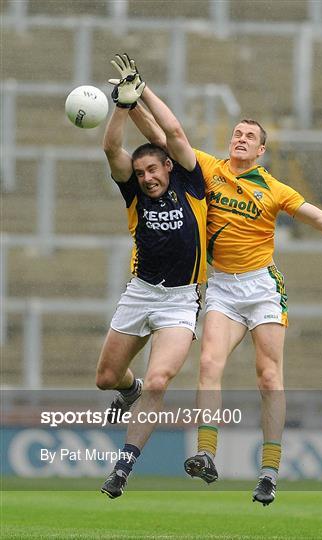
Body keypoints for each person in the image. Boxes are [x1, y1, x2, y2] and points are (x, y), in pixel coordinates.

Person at [121, 58, 322, 506]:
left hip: (261, 288)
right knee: (209, 365)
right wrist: (134, 99)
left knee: (269, 377)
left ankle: (269, 471)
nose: (241, 138)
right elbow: (162, 137)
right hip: (222, 289)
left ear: (261, 150)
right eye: (237, 133)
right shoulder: (208, 170)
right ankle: (206, 455)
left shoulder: (274, 189)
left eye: (250, 136)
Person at [96, 54, 207, 499]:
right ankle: (131, 389)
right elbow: (110, 149)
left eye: (153, 170)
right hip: (140, 293)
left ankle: (123, 468)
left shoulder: (192, 182)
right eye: (140, 173)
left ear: (168, 167)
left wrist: (140, 92)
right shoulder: (133, 193)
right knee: (107, 378)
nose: (146, 178)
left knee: (161, 381)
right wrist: (120, 106)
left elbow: (173, 134)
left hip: (181, 300)